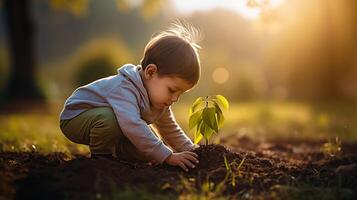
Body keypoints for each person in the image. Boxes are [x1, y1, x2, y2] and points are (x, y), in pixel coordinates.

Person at [59, 22, 202, 172]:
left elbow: (169, 129)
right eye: (172, 90)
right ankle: (101, 158)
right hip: (76, 118)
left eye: (180, 93)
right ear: (151, 72)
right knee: (112, 120)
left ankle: (117, 153)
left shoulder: (160, 101)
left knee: (148, 147)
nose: (175, 99)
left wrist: (192, 149)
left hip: (110, 123)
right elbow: (132, 125)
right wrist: (168, 156)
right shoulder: (124, 88)